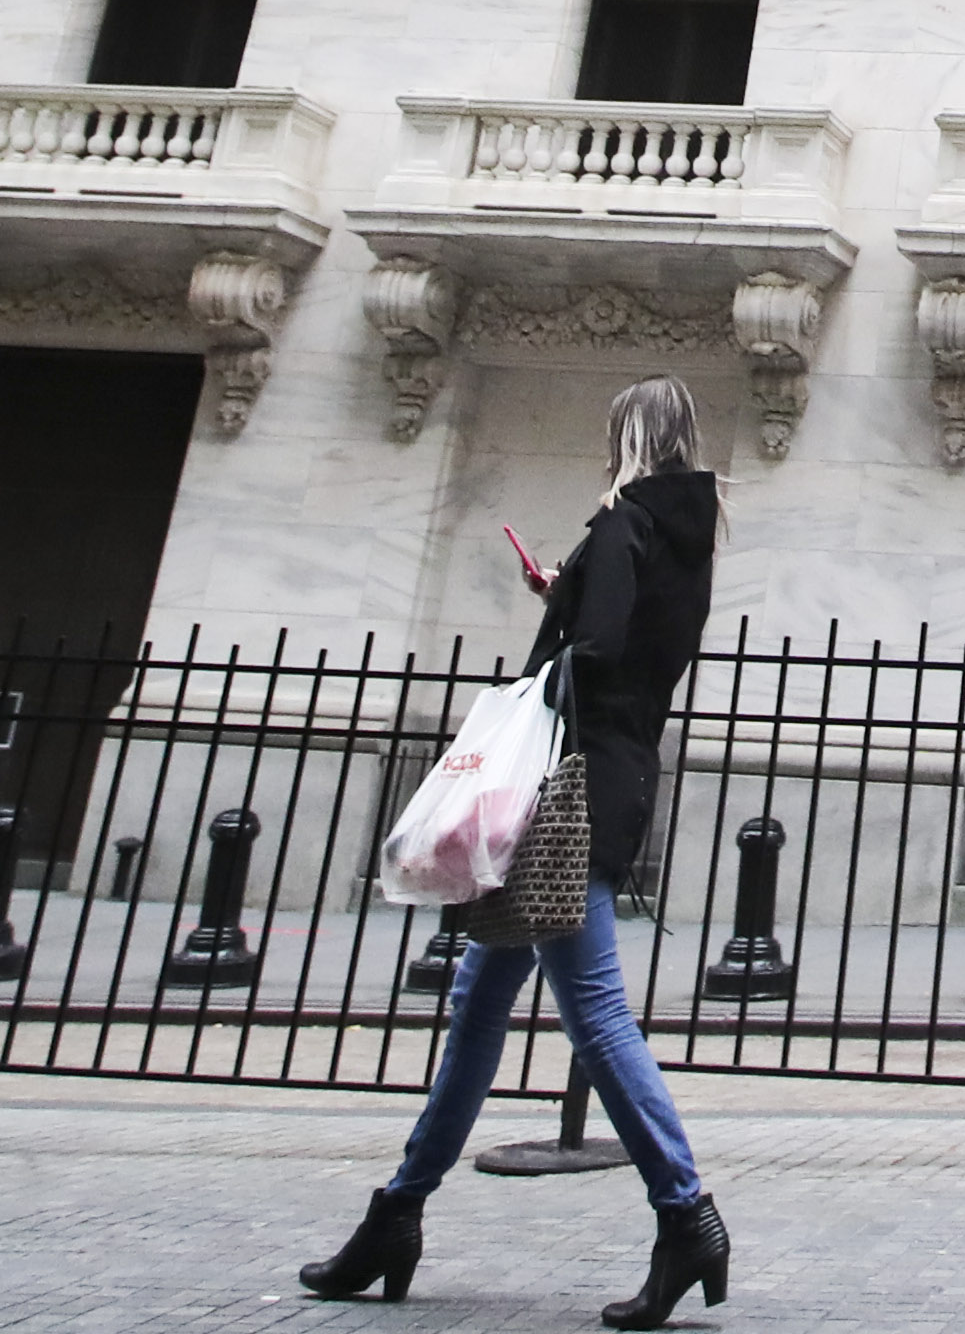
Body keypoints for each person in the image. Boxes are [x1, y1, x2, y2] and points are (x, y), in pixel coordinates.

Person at [303, 379, 731, 1320]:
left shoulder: (622, 521)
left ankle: (686, 1211)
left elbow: (600, 649)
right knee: (479, 1003)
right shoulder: (688, 535)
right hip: (615, 774)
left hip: (567, 793)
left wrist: (567, 618)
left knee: (595, 1015)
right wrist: (565, 590)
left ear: (628, 437)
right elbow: (635, 639)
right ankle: (398, 1211)